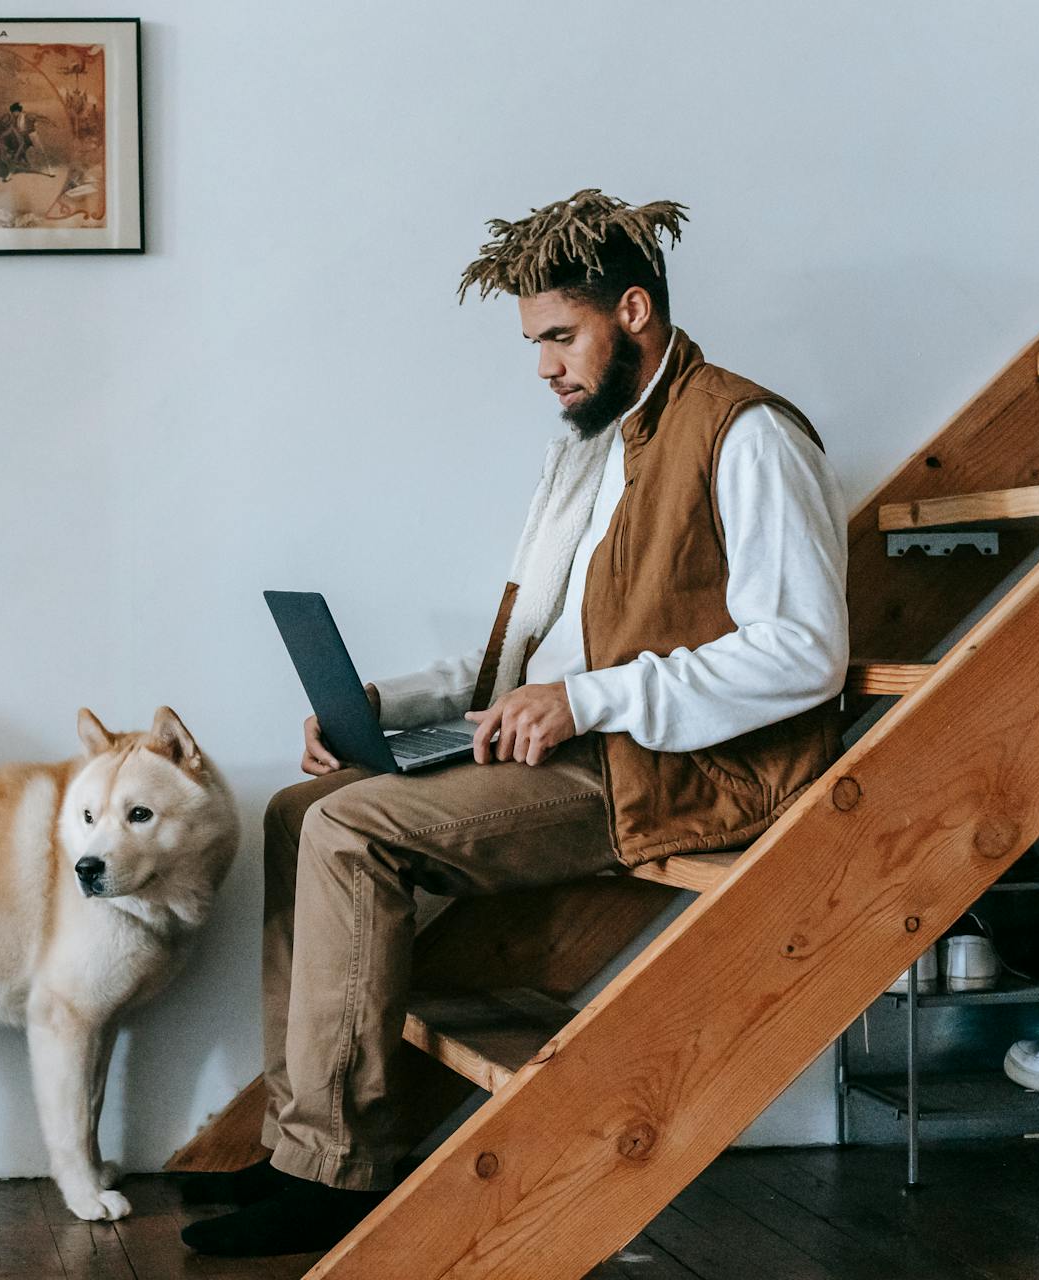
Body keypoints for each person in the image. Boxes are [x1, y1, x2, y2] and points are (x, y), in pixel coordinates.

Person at [180, 189, 851, 1257]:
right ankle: (299, 1139)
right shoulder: (587, 448)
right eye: (533, 340)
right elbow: (531, 654)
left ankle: (340, 1171)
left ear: (634, 310)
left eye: (559, 336)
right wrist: (382, 708)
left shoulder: (749, 433)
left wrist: (587, 698)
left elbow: (805, 652)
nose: (543, 365)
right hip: (574, 742)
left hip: (670, 768)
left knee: (351, 831)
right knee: (299, 809)